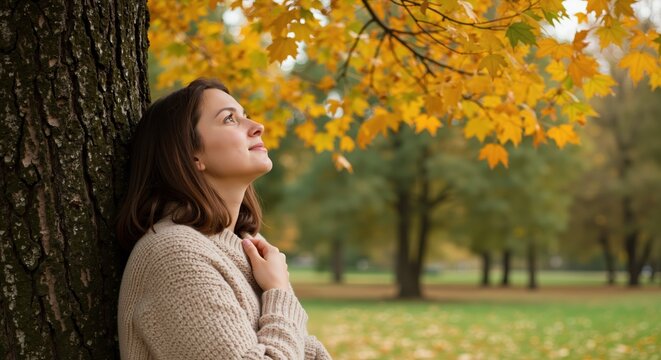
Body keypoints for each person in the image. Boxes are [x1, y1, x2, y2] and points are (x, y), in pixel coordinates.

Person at [116, 78, 331, 359]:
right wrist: (279, 292)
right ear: (192, 156)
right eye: (230, 119)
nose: (257, 127)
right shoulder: (174, 255)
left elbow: (310, 352)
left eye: (246, 116)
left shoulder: (247, 248)